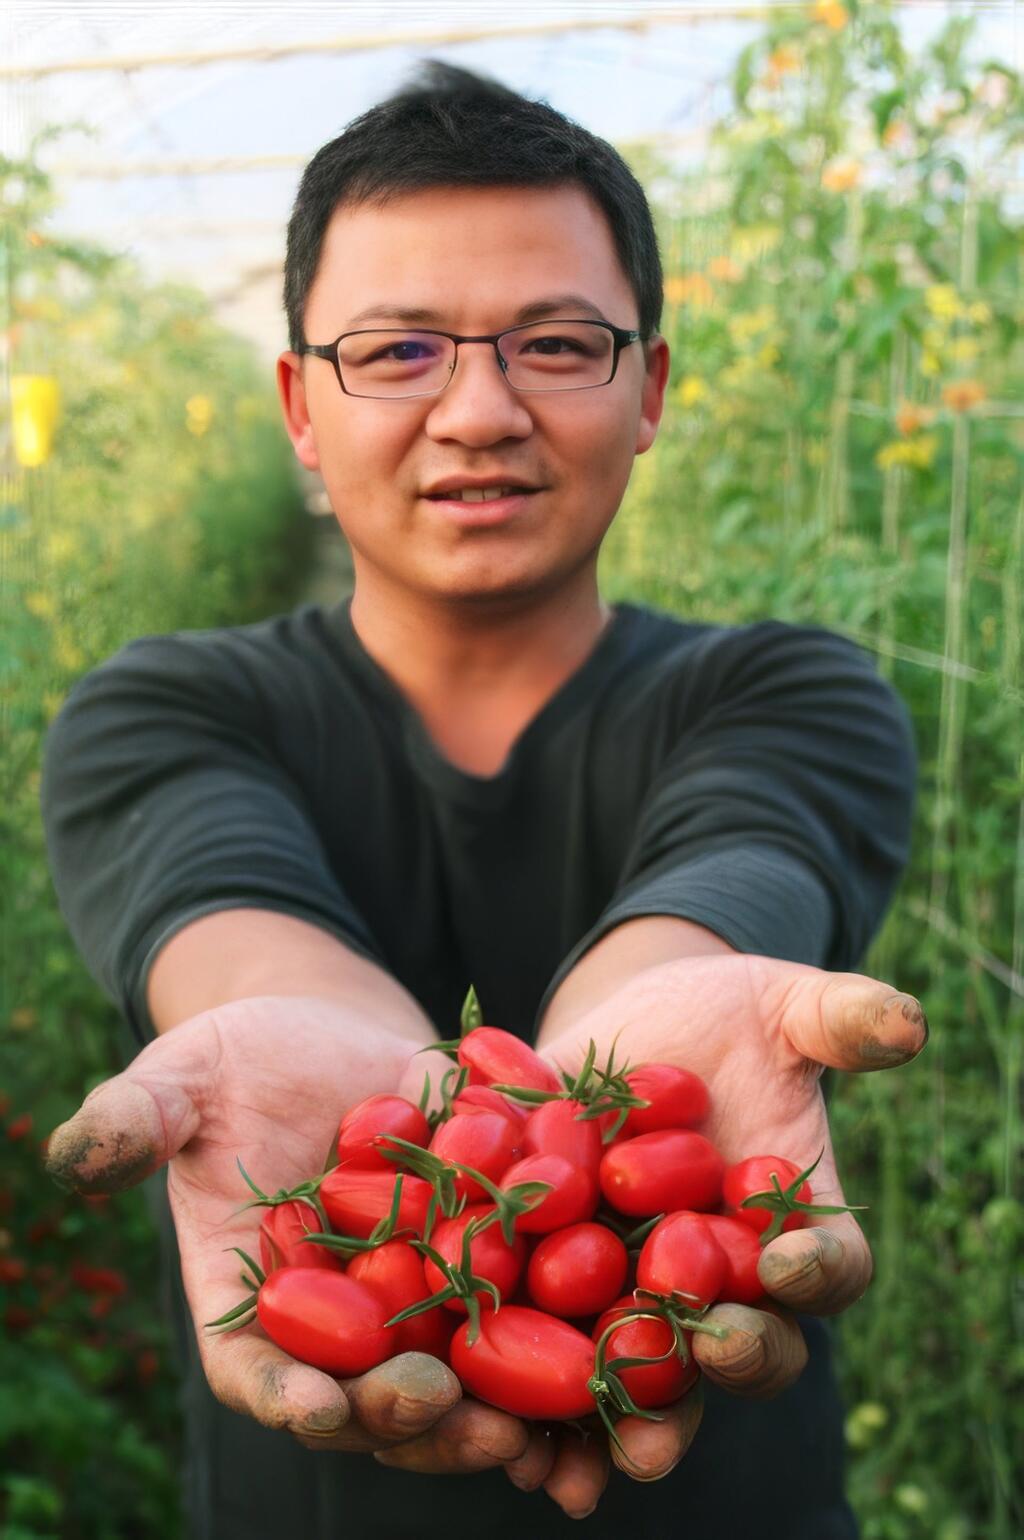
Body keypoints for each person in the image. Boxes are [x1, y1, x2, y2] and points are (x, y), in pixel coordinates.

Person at [41, 61, 925, 1540]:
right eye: (396, 352)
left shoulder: (797, 695)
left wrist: (603, 1075)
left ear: (647, 389)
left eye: (558, 343)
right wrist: (375, 1082)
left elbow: (734, 868)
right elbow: (228, 914)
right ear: (300, 410)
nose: (478, 409)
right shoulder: (164, 711)